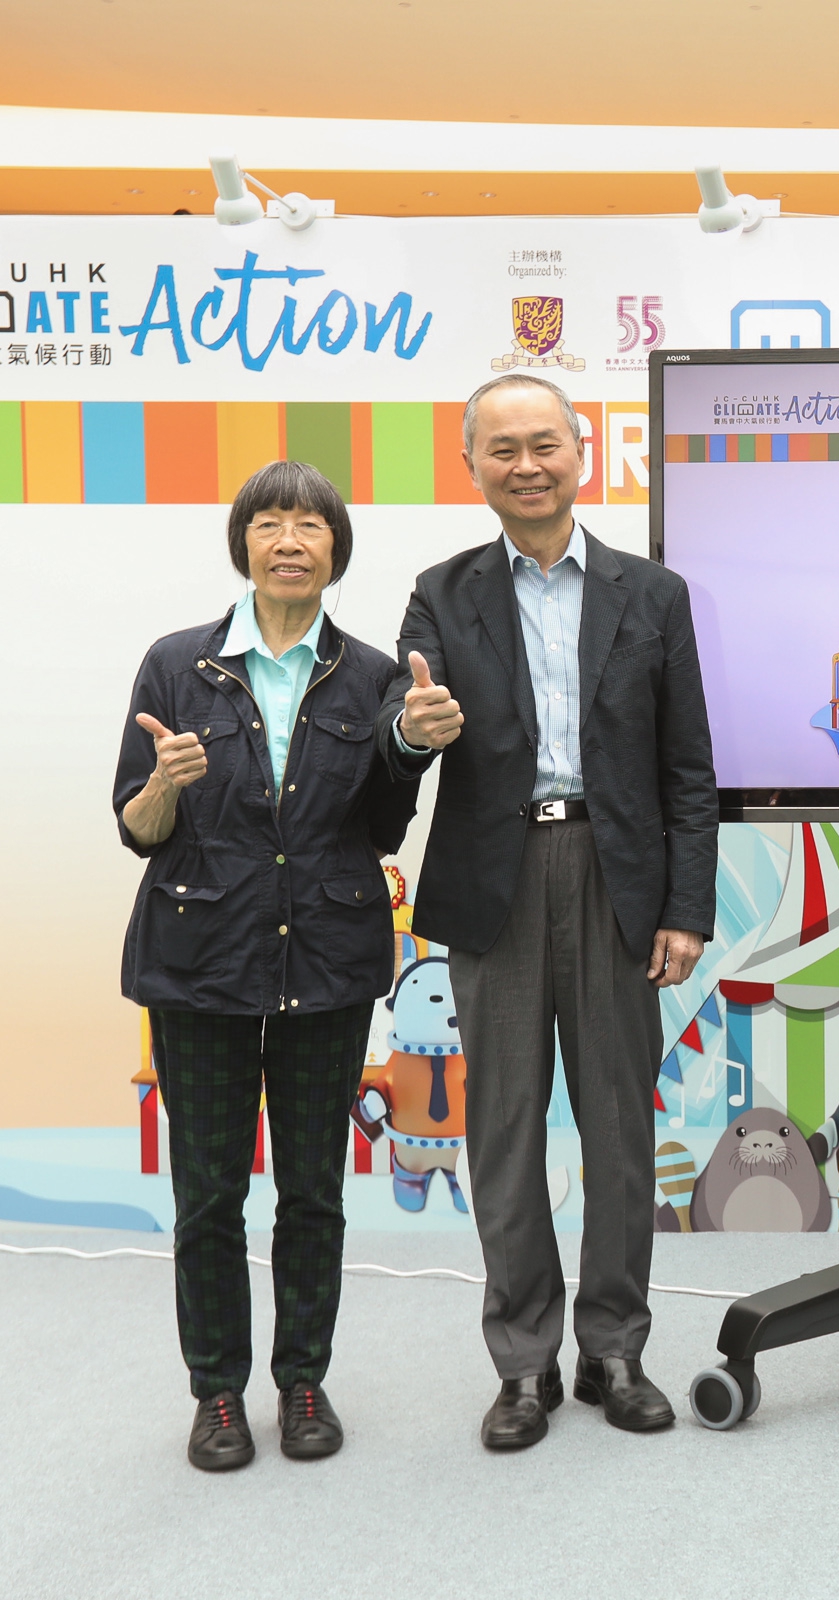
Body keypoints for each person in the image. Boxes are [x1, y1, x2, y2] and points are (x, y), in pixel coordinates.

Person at [381, 374, 717, 1451]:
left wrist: (686, 906)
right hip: (495, 879)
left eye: (545, 445)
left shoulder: (651, 593)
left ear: (584, 452)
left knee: (621, 1126)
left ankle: (614, 1346)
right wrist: (414, 725)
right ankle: (521, 1362)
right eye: (501, 449)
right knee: (504, 1128)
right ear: (470, 465)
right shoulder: (440, 594)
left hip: (619, 877)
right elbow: (403, 719)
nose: (526, 465)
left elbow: (688, 771)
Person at [114, 460, 420, 1471]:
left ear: (336, 549)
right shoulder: (177, 664)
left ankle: (300, 1381)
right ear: (243, 542)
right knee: (207, 1192)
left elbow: (380, 827)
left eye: (310, 525)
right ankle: (215, 1393)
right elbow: (136, 826)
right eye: (270, 523)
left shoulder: (372, 674)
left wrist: (412, 749)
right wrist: (163, 782)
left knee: (314, 1190)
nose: (290, 539)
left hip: (326, 959)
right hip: (198, 957)